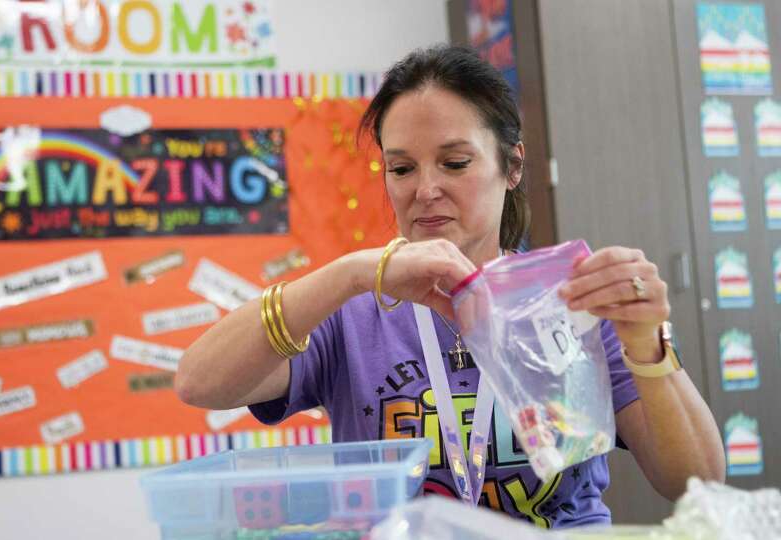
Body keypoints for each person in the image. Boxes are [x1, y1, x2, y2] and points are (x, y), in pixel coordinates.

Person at [175, 45, 725, 528]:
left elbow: (696, 480)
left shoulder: (570, 301)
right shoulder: (352, 311)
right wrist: (349, 274)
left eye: (455, 162)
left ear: (512, 165)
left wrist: (647, 344)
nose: (426, 189)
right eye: (401, 169)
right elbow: (199, 383)